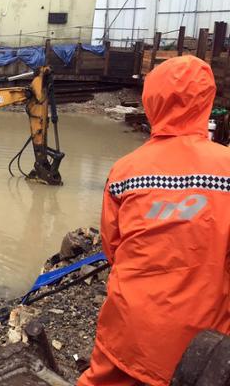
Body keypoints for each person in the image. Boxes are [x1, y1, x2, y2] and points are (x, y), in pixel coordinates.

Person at [78, 55, 230, 386]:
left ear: (151, 102)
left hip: (129, 328)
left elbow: (113, 248)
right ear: (206, 101)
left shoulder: (126, 170)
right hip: (202, 341)